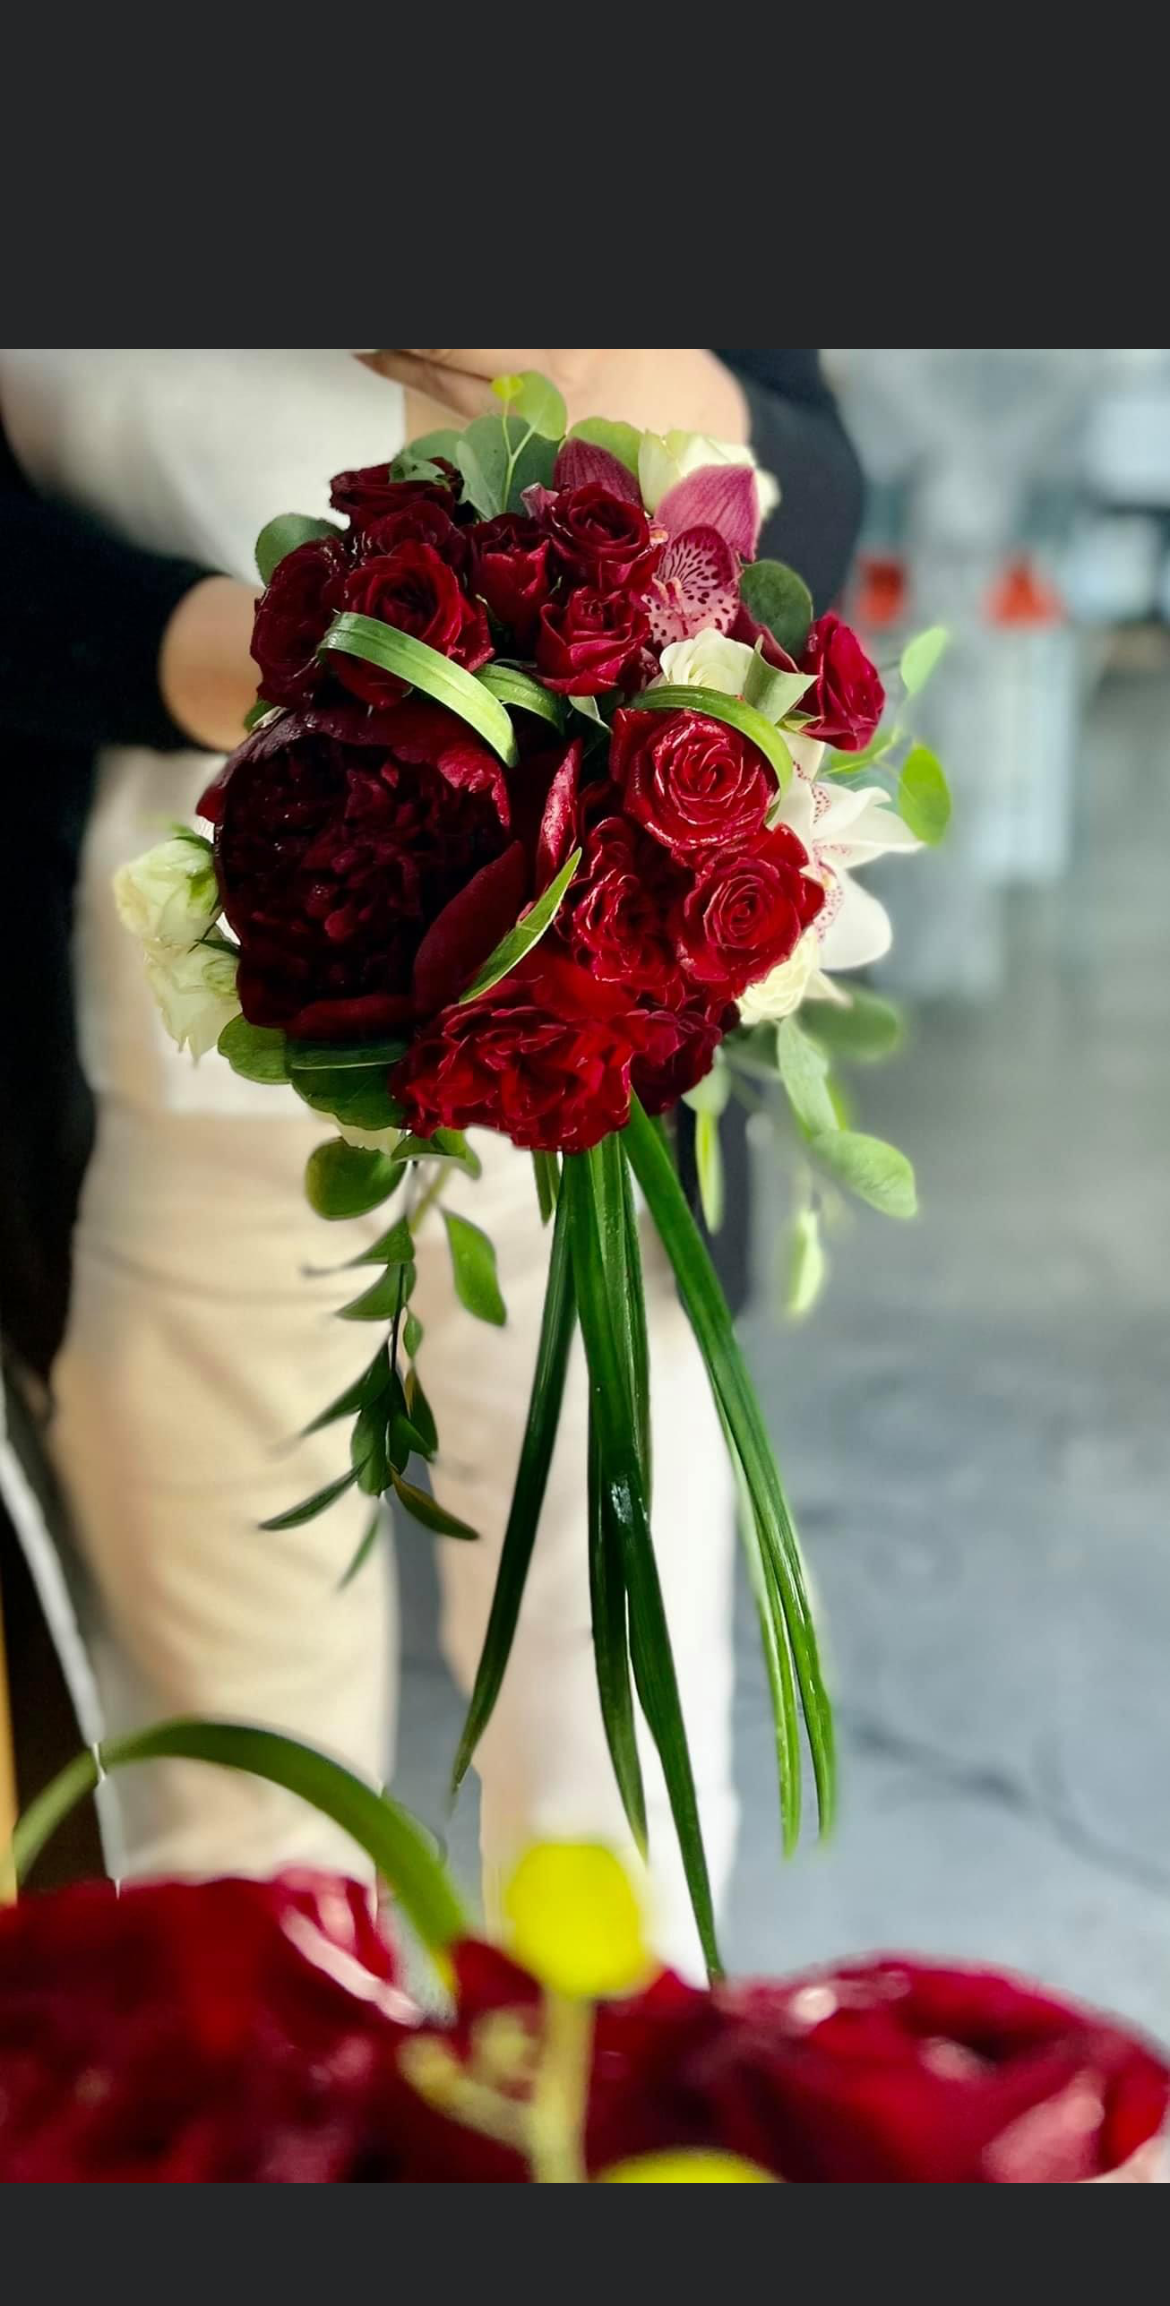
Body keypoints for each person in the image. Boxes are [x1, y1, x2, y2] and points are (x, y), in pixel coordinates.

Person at [0, 351, 861, 1974]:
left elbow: (819, 487)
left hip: (590, 1076)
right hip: (148, 1084)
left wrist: (633, 375)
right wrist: (211, 655)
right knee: (235, 1841)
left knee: (611, 1807)